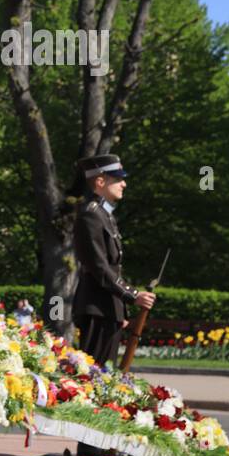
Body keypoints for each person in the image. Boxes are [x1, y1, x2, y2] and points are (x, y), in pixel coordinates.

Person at [71, 154, 155, 367]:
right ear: (100, 182)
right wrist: (132, 295)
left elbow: (113, 268)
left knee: (105, 377)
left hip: (107, 308)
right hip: (96, 308)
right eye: (118, 179)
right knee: (94, 376)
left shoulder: (104, 215)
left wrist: (121, 309)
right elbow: (99, 267)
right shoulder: (91, 215)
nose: (124, 184)